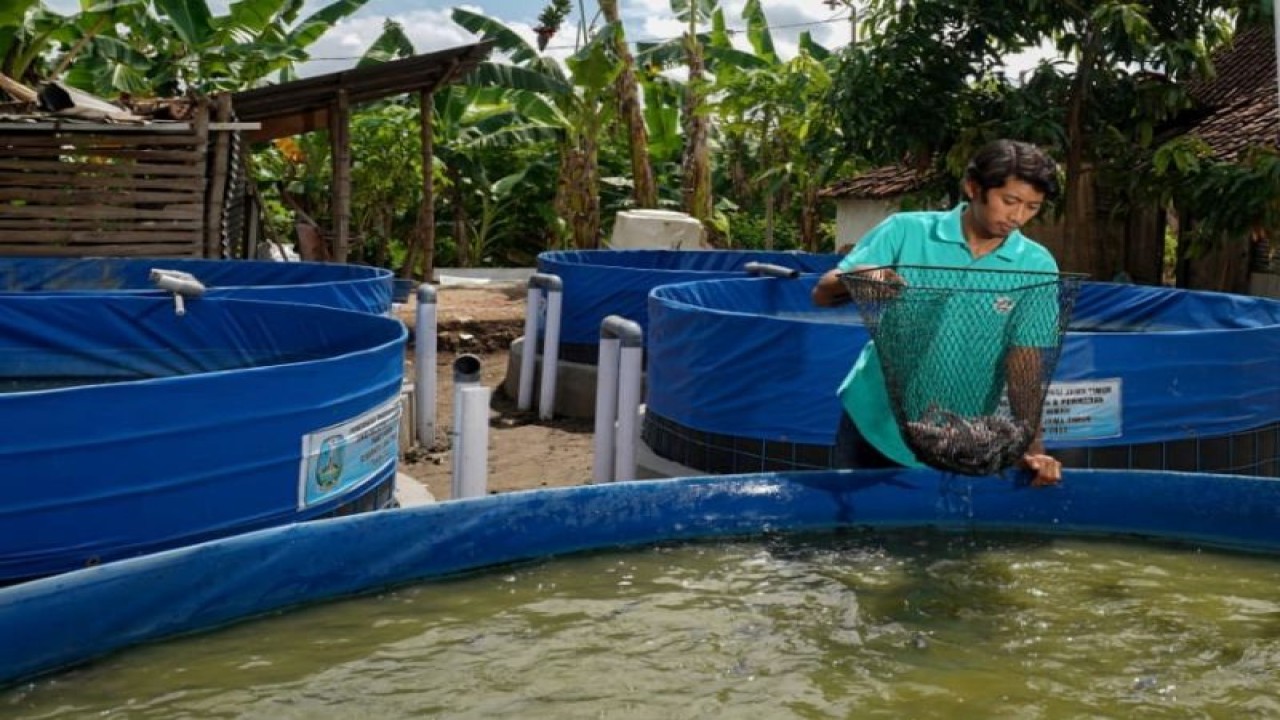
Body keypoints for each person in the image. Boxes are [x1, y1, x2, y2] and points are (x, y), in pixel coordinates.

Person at [812, 139, 1064, 486]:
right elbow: (823, 293)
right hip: (875, 419)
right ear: (973, 187)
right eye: (1010, 201)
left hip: (956, 435)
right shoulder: (906, 231)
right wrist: (862, 274)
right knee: (854, 532)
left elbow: (1024, 361)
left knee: (933, 535)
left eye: (1032, 207)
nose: (1017, 217)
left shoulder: (1036, 265)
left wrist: (1032, 447)